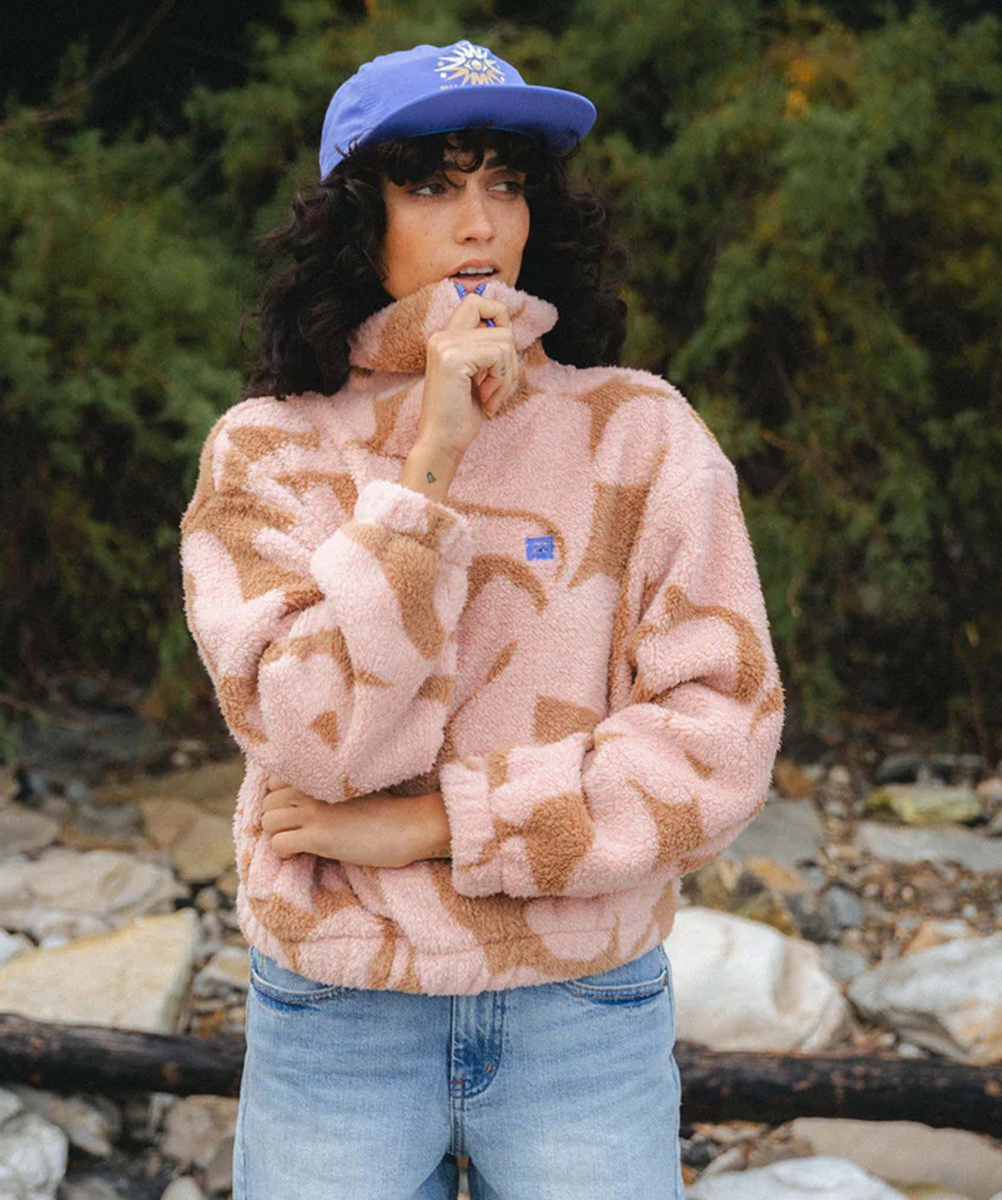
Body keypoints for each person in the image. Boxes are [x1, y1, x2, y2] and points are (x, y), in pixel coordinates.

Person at [179, 38, 785, 1200]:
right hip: (340, 1013)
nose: (479, 222)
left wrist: (437, 826)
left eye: (505, 183)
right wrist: (431, 465)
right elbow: (315, 742)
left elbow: (722, 741)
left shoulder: (639, 433)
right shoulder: (268, 450)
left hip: (581, 1005)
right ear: (356, 219)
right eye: (432, 185)